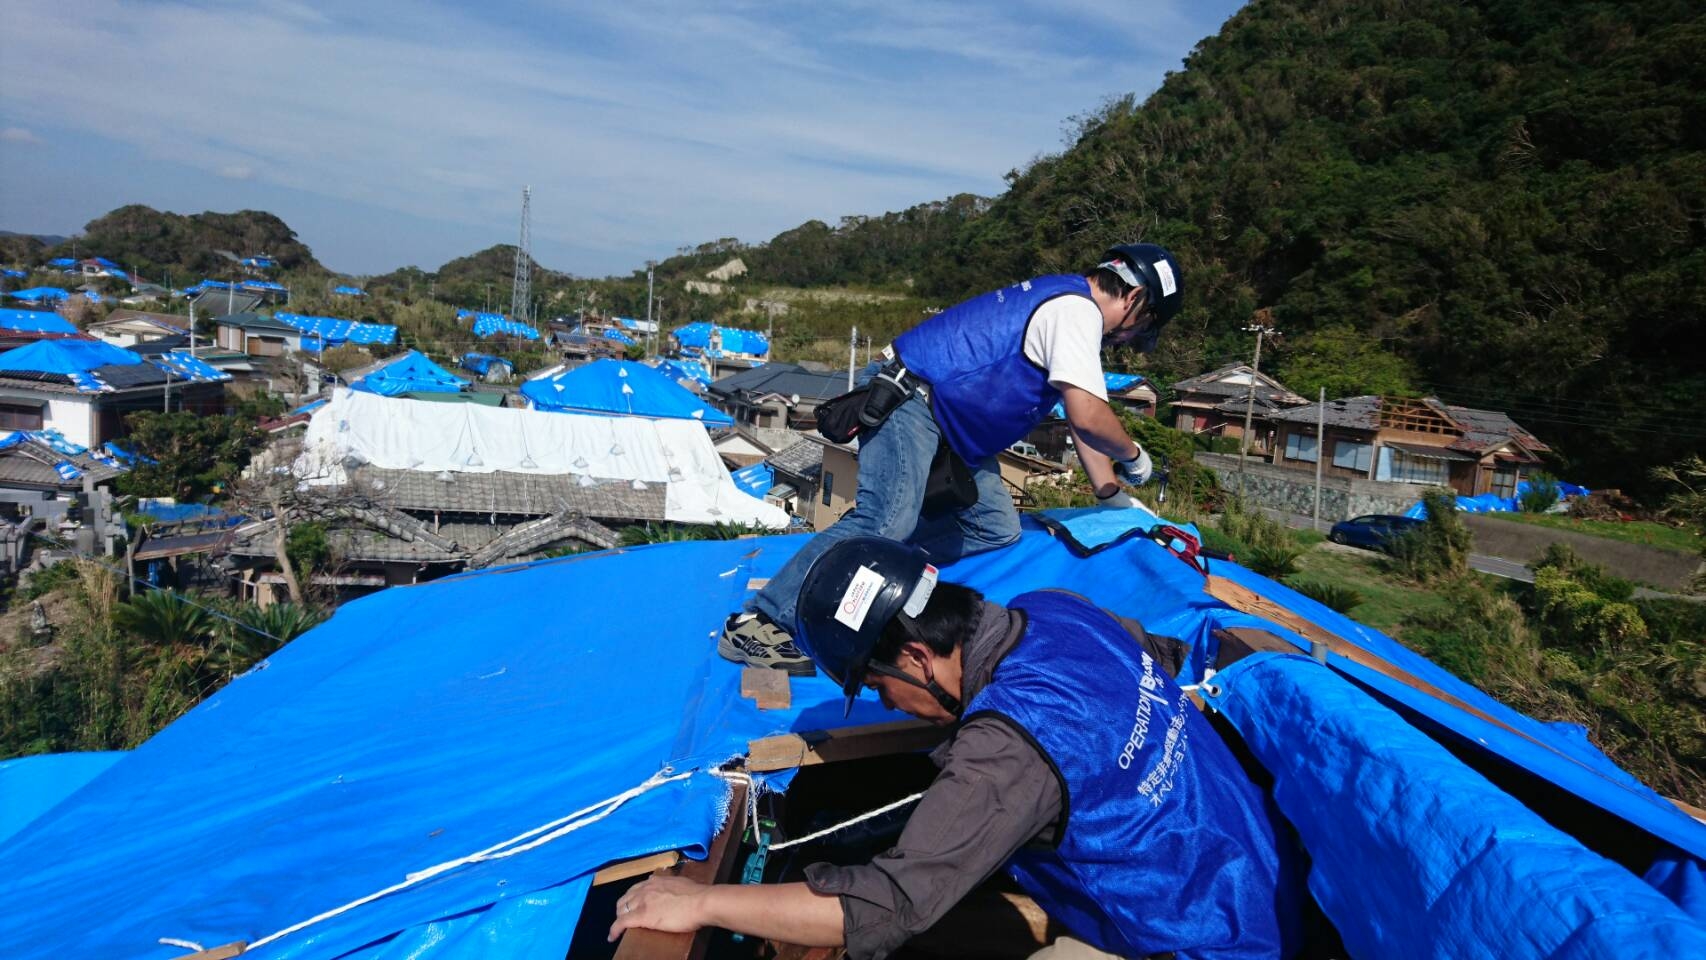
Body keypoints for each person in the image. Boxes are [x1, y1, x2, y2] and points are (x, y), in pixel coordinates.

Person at [619, 537, 1296, 960]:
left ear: (916, 657)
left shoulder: (1006, 750)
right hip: (1269, 879)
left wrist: (699, 903)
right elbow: (1163, 656)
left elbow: (883, 907)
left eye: (877, 688)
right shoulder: (1056, 608)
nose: (888, 706)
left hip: (1207, 941)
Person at [721, 243, 1184, 671]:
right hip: (914, 401)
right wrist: (1135, 456)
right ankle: (761, 623)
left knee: (995, 528)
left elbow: (1081, 418)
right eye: (1141, 328)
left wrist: (1109, 495)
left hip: (951, 429)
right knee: (886, 520)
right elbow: (1089, 416)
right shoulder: (1077, 311)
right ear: (1135, 298)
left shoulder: (1068, 306)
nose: (1127, 340)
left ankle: (871, 573)